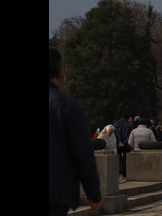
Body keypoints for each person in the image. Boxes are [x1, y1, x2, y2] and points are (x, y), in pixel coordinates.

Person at [49, 48, 102, 216]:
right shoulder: (66, 105)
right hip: (55, 193)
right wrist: (93, 194)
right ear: (60, 73)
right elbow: (82, 153)